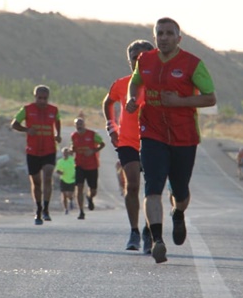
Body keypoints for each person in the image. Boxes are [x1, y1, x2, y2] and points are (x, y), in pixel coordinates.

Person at [125, 17, 217, 263]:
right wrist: (131, 99)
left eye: (169, 33)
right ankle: (157, 240)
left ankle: (178, 213)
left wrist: (180, 102)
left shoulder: (192, 64)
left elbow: (210, 98)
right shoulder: (145, 60)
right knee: (153, 186)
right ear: (155, 37)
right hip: (152, 132)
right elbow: (135, 83)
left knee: (180, 190)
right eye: (160, 33)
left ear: (179, 38)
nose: (164, 37)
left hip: (183, 136)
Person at [103, 39, 155, 253]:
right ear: (130, 60)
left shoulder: (158, 83)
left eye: (143, 57)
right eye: (135, 58)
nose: (139, 61)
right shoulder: (122, 83)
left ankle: (149, 230)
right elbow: (108, 102)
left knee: (152, 189)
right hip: (127, 141)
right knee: (132, 185)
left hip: (153, 140)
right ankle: (134, 231)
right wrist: (111, 127)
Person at [10, 85, 62, 225]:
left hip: (49, 149)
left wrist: (58, 134)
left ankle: (46, 209)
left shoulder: (53, 110)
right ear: (35, 97)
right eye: (40, 98)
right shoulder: (27, 109)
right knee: (36, 182)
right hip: (32, 151)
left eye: (45, 98)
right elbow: (14, 124)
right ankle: (38, 209)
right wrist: (26, 129)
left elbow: (57, 122)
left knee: (47, 175)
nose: (42, 101)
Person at [70, 117, 106, 220]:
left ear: (84, 125)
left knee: (93, 189)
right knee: (79, 187)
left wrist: (93, 151)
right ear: (75, 126)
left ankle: (90, 198)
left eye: (81, 123)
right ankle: (81, 211)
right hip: (79, 165)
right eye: (77, 124)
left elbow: (102, 144)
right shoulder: (74, 136)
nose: (79, 126)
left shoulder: (92, 134)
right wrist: (71, 150)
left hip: (92, 166)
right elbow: (73, 147)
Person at [55, 147, 76, 215]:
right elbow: (57, 170)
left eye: (67, 152)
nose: (65, 154)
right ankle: (66, 209)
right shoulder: (60, 161)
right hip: (63, 179)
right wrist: (60, 172)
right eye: (64, 153)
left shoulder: (72, 160)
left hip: (72, 179)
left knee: (69, 194)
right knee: (64, 194)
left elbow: (76, 167)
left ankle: (71, 200)